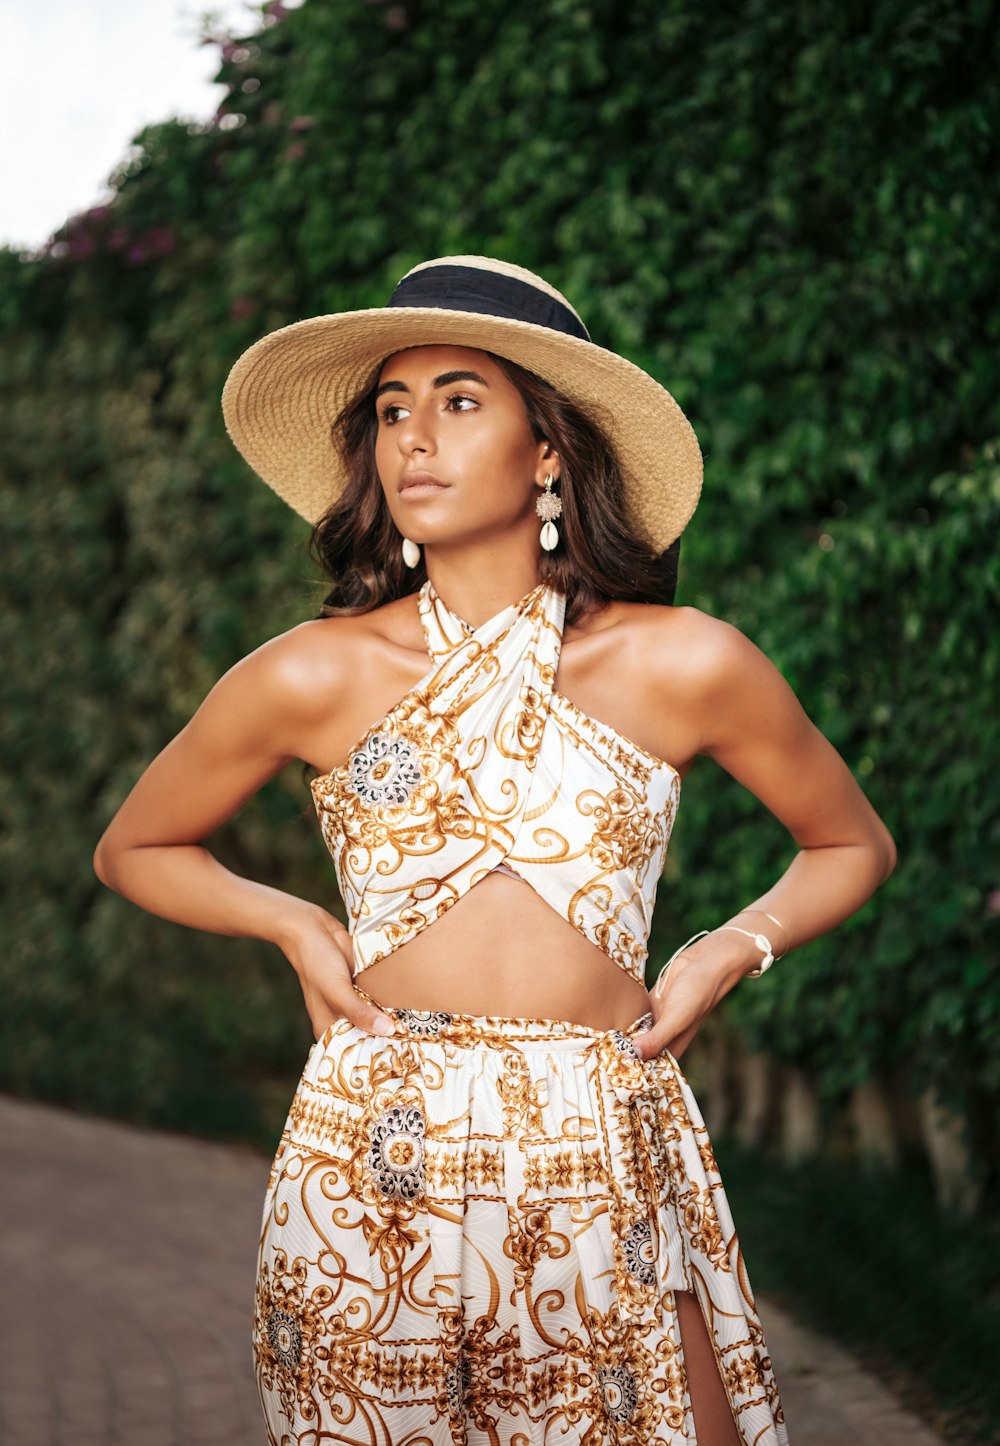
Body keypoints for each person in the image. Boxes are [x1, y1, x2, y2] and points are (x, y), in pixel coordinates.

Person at [93, 255, 896, 1445]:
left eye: (460, 400)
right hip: (375, 1142)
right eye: (392, 410)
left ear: (550, 449)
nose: (414, 437)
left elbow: (847, 842)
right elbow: (138, 845)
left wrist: (731, 947)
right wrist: (292, 922)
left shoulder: (684, 663)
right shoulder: (315, 672)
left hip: (600, 1125)